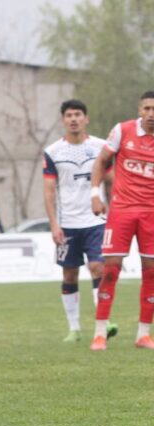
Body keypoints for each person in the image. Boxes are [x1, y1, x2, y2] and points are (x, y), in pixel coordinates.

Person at [43, 99, 117, 343]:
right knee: (69, 275)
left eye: (78, 114)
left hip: (97, 220)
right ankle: (74, 329)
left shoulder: (101, 147)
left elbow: (111, 182)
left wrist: (114, 214)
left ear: (86, 118)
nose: (73, 119)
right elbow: (49, 191)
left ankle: (103, 323)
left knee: (98, 268)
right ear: (63, 120)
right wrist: (54, 224)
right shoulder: (52, 152)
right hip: (67, 224)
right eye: (69, 115)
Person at [89, 90, 154, 351]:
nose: (151, 114)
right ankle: (100, 333)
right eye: (147, 109)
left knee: (151, 272)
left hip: (151, 214)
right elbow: (101, 162)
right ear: (139, 110)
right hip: (122, 211)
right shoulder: (122, 131)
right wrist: (95, 194)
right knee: (111, 269)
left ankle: (143, 335)